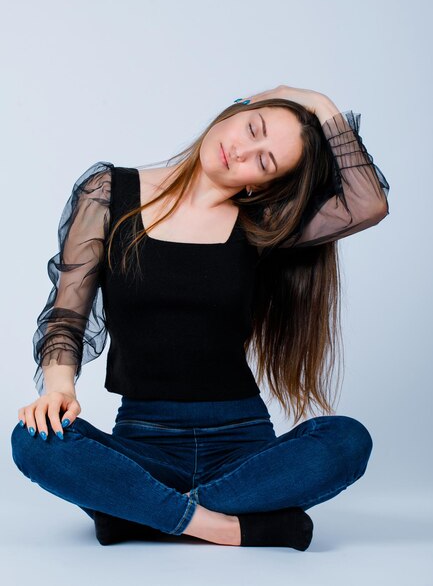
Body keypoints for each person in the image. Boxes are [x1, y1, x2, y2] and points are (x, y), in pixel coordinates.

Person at [10, 85, 390, 550]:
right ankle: (232, 527)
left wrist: (318, 103)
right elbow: (68, 310)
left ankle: (136, 515)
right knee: (32, 441)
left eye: (264, 161)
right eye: (253, 129)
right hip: (143, 442)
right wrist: (59, 390)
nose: (242, 151)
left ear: (261, 185)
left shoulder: (264, 224)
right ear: (236, 111)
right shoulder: (110, 193)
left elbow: (368, 204)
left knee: (347, 440)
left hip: (241, 445)